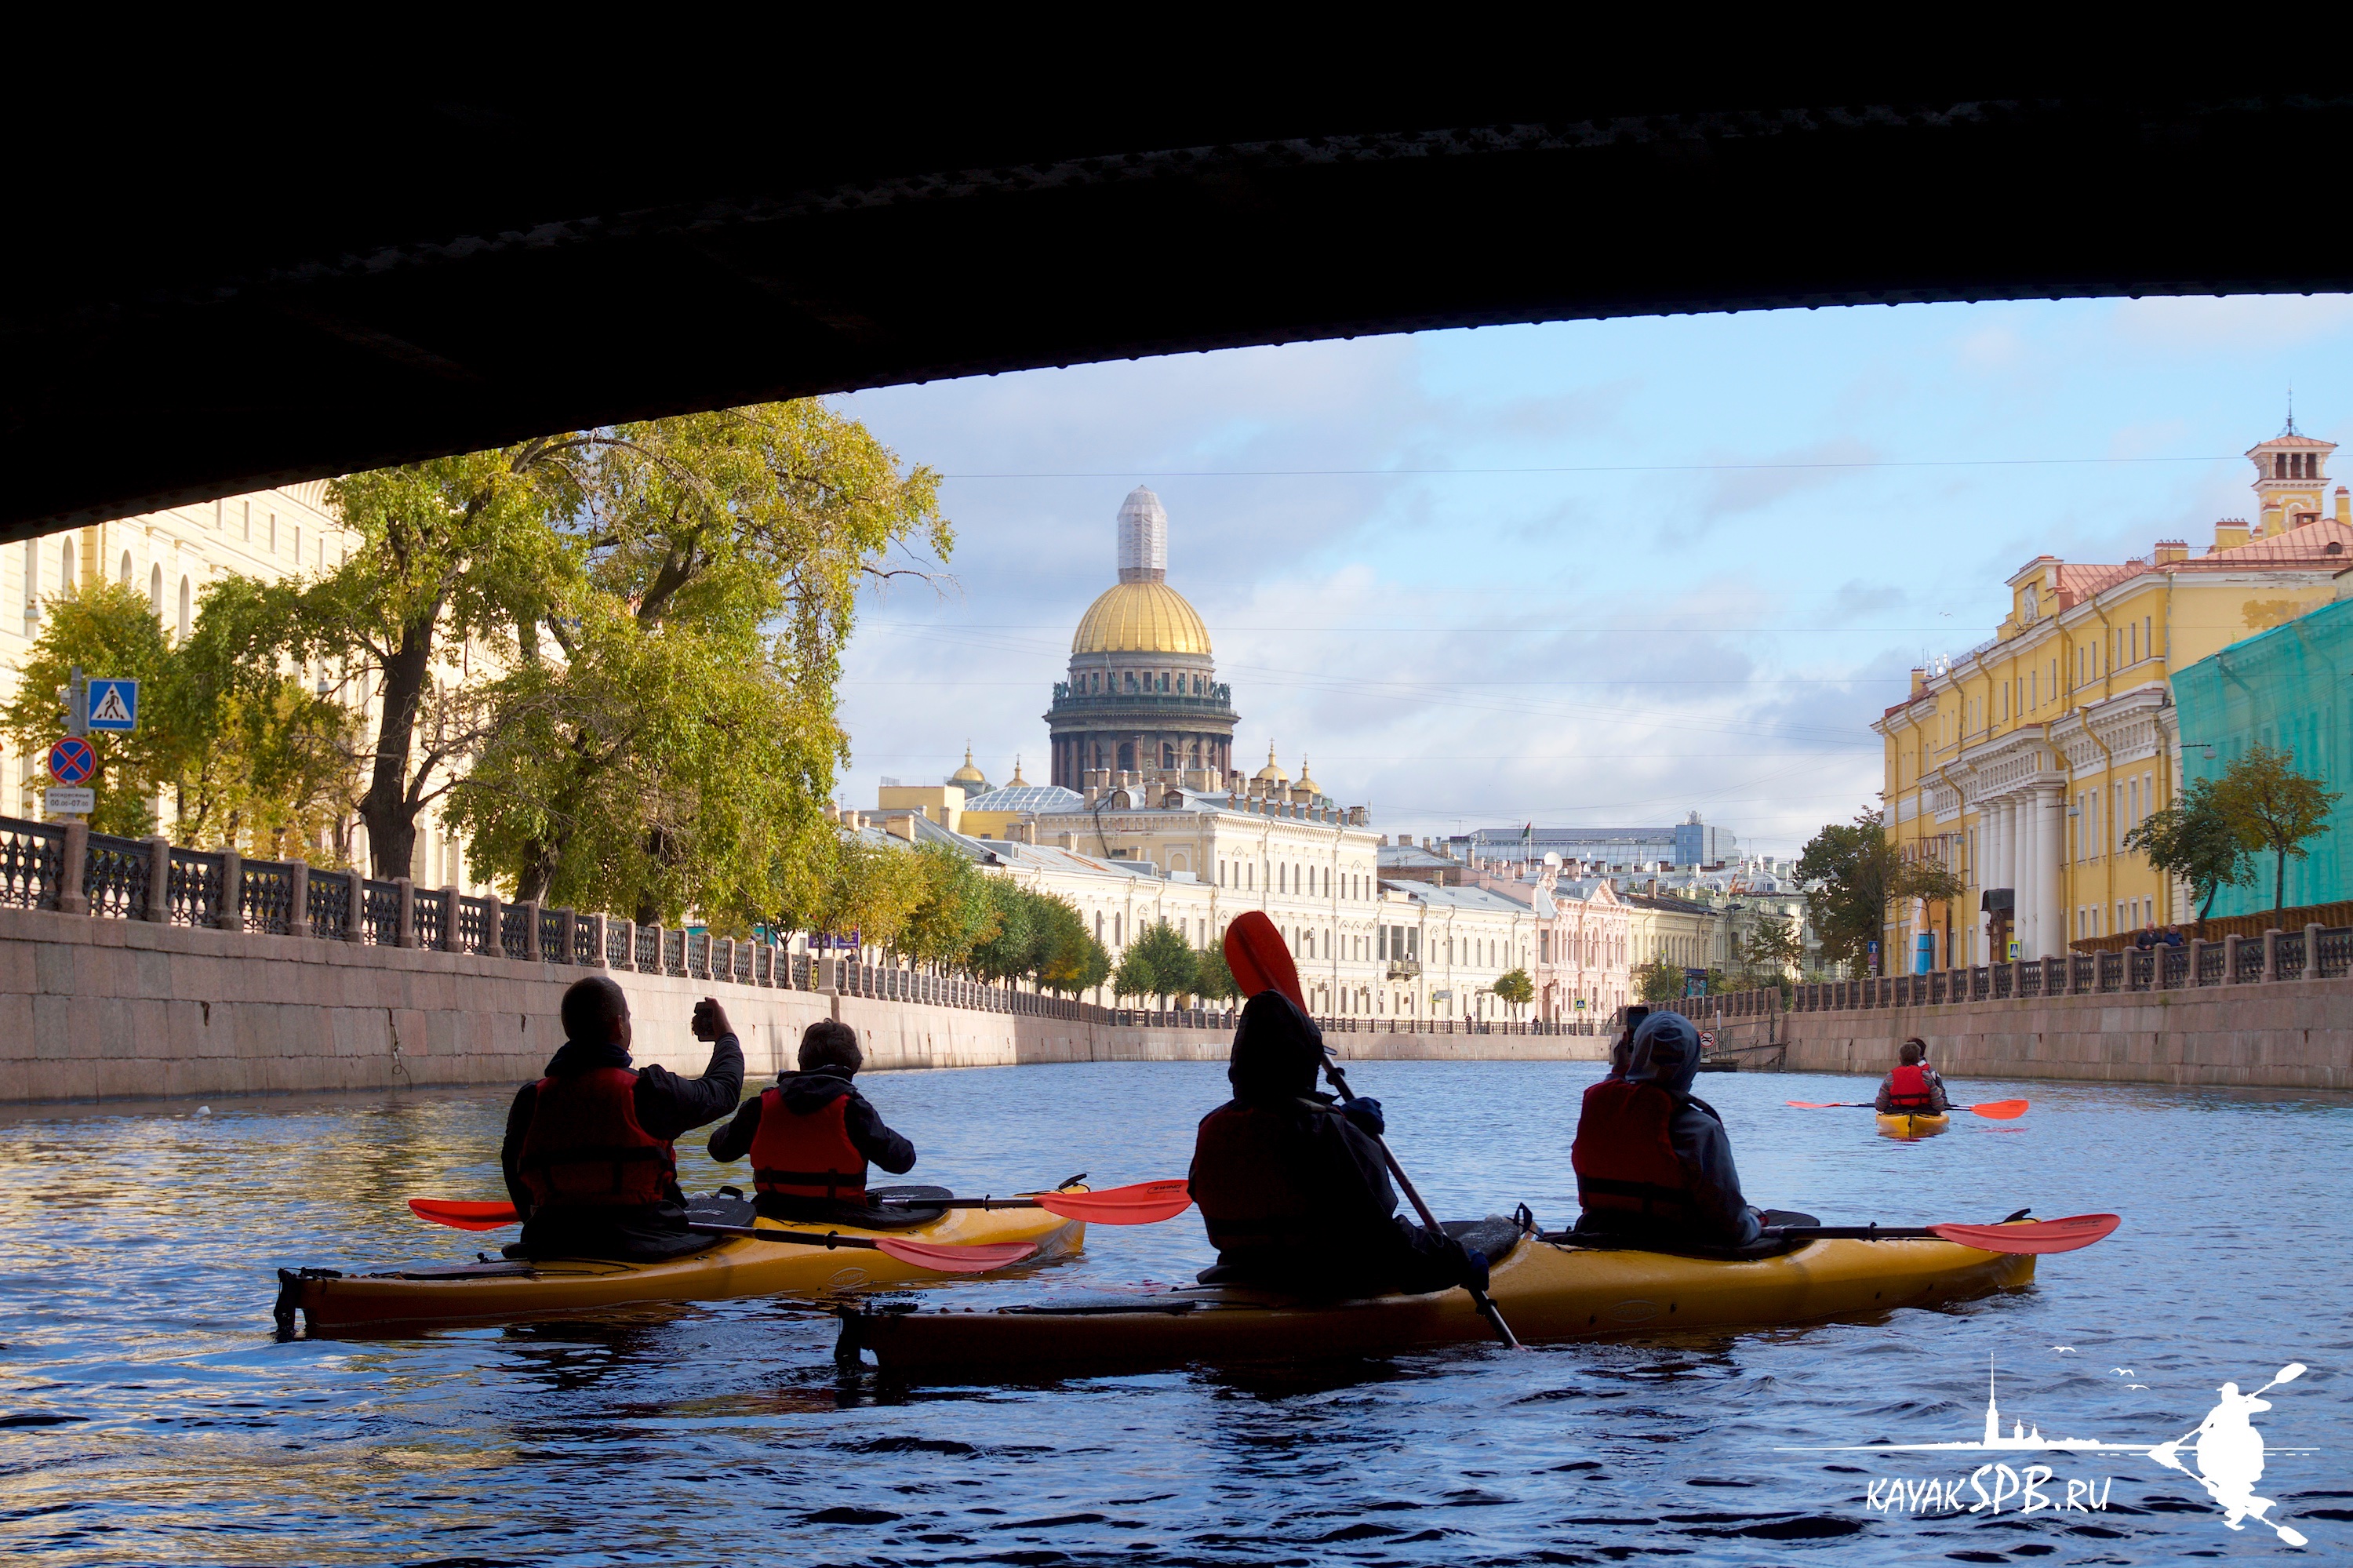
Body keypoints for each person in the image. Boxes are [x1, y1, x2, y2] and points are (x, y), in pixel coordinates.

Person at [1187, 988, 1489, 1295]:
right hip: (1320, 1280)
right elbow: (1381, 1241)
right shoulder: (1324, 1131)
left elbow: (1271, 1138)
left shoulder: (1212, 1125)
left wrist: (1338, 1118)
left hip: (1236, 1274)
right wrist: (1459, 1261)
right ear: (1304, 1064)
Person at [502, 978, 744, 1261]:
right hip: (645, 1241)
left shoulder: (530, 1098)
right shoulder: (649, 1089)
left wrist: (539, 1226)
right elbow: (723, 1091)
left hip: (550, 1238)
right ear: (619, 1024)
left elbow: (513, 1171)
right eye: (627, 1019)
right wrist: (725, 1035)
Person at [1570, 1010, 1766, 1249]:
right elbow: (1734, 1228)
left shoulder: (1597, 1110)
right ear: (1691, 1060)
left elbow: (1621, 1095)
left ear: (1636, 1053)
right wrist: (1756, 1222)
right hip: (1671, 1245)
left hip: (1595, 1234)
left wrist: (1621, 1068)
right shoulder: (1701, 1130)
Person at [707, 1019, 916, 1219]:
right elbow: (903, 1161)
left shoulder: (760, 1106)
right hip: (844, 1216)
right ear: (853, 1067)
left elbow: (719, 1150)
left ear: (802, 1061)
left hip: (771, 1214)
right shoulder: (854, 1110)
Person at [1874, 1038, 1951, 1115]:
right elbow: (1939, 1105)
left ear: (1900, 1059)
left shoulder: (1891, 1076)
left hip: (1897, 1112)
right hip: (1923, 1112)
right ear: (1918, 1059)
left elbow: (1880, 1106)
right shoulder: (1926, 1075)